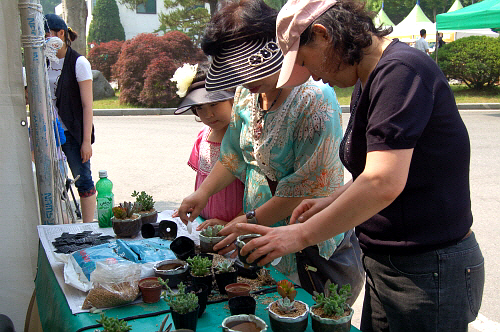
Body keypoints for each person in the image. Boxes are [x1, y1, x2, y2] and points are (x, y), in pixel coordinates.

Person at [236, 0, 485, 331]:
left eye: (309, 64)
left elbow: (383, 182)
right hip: (389, 264)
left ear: (323, 35)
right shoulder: (367, 79)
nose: (316, 77)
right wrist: (331, 200)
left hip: (428, 268)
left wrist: (299, 235)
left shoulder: (401, 72)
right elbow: (377, 170)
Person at [177, 0, 364, 301]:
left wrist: (244, 222)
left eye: (243, 69)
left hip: (307, 243)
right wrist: (203, 194)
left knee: (306, 311)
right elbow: (234, 153)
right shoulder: (246, 94)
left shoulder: (314, 98)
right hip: (259, 236)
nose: (240, 80)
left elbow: (307, 187)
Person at [171, 63, 245, 226]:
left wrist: (231, 224)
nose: (208, 114)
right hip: (203, 223)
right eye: (200, 108)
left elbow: (256, 194)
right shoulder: (203, 135)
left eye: (214, 104)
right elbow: (202, 181)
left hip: (236, 227)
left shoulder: (243, 137)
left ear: (232, 98)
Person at [45, 14, 96, 223]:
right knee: (53, 182)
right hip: (49, 132)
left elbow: (87, 105)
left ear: (61, 34)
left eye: (46, 35)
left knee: (83, 179)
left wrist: (86, 142)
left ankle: (87, 227)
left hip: (72, 132)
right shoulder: (42, 61)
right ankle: (62, 224)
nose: (44, 39)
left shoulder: (79, 62)